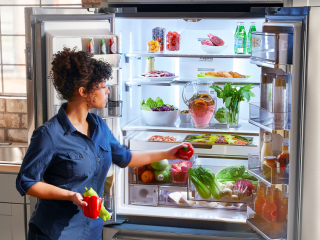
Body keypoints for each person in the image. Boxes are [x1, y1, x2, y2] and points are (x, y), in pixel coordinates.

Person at [16, 48, 190, 240]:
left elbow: (125, 157)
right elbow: (27, 182)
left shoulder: (98, 125)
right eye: (102, 85)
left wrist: (168, 153)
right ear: (83, 91)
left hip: (90, 231)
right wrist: (70, 195)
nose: (107, 90)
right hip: (55, 233)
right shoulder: (49, 134)